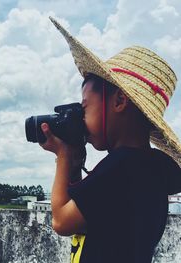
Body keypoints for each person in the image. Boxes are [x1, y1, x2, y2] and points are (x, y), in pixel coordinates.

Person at [39, 17, 181, 263]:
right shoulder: (153, 168)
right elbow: (84, 216)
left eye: (85, 108)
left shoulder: (121, 166)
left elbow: (62, 221)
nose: (82, 119)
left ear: (119, 102)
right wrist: (74, 165)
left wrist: (62, 156)